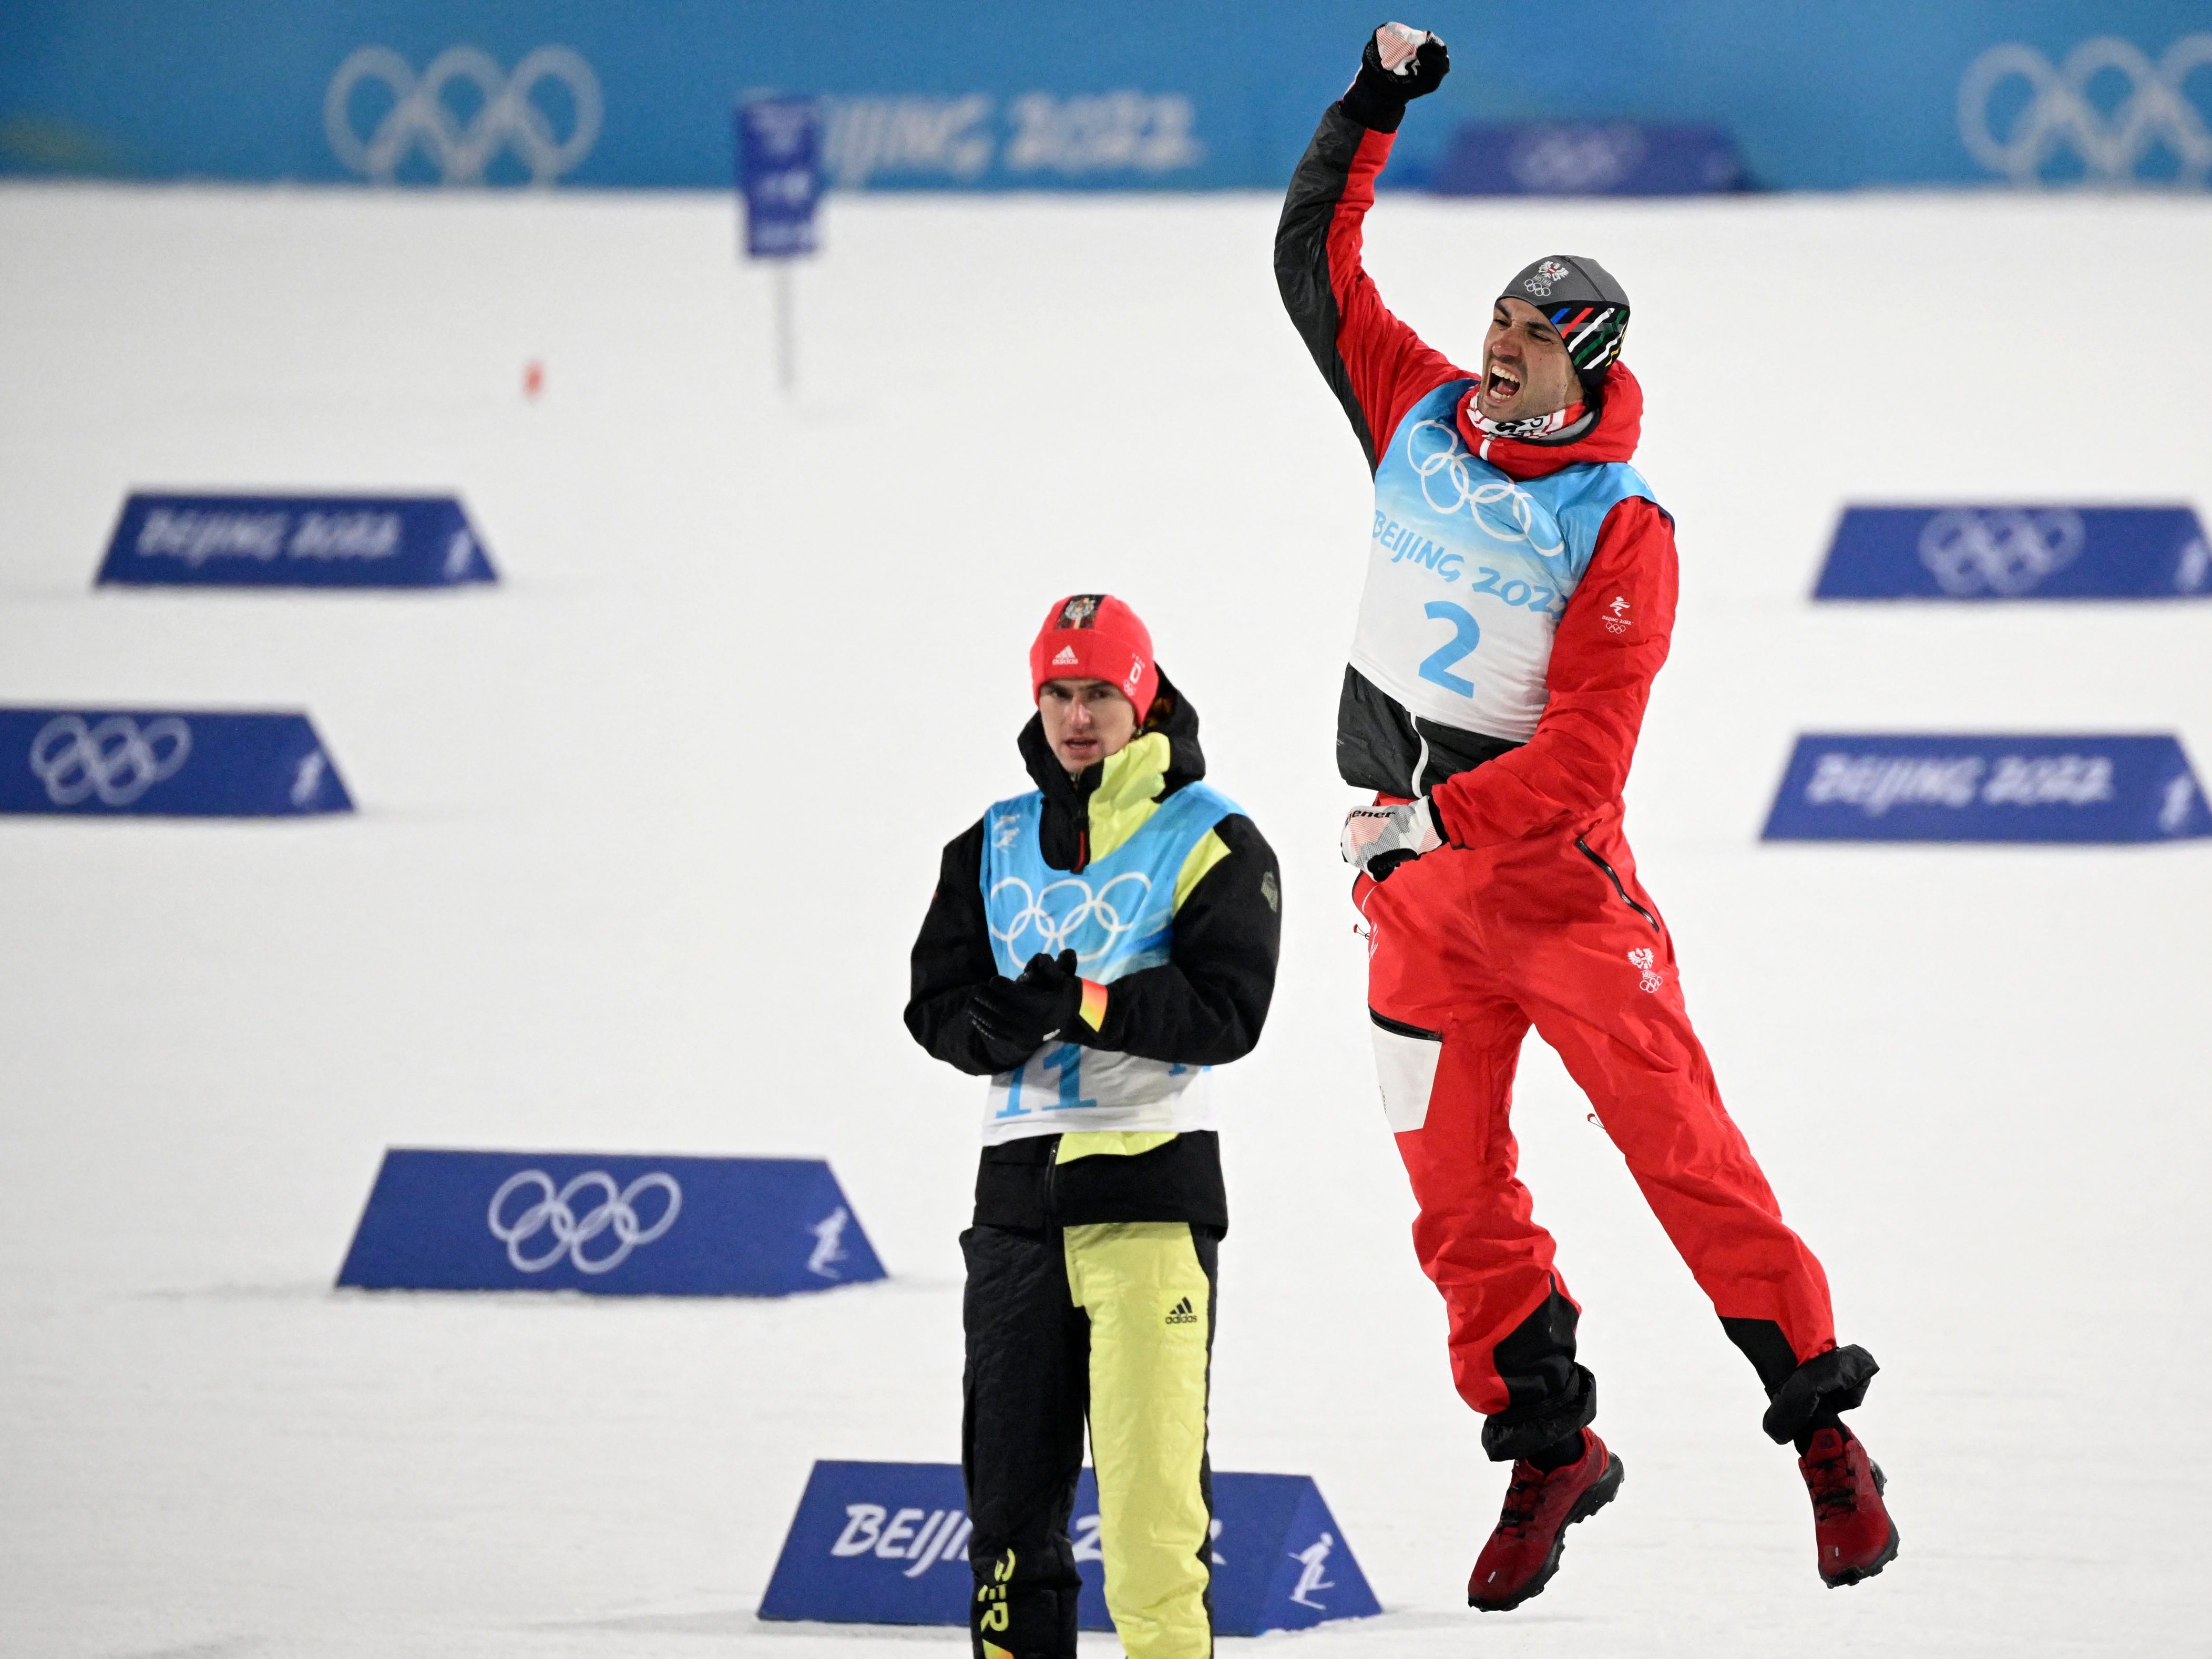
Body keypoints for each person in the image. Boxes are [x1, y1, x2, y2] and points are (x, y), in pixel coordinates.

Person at [1272, 22, 1899, 1610]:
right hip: (1413, 902)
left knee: (1683, 1156)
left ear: (1593, 362)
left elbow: (1583, 771)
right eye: (1495, 318)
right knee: (1455, 1194)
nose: (1499, 347)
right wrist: (1374, 102)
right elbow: (1312, 256)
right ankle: (1550, 1444)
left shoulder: (1624, 527)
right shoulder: (1413, 408)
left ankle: (1823, 1428)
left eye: (1535, 335)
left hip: (1554, 893)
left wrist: (1425, 827)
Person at [905, 593, 1282, 1659]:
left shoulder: (1210, 836)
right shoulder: (988, 843)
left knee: (1154, 1525)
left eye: (1100, 693)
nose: (1078, 716)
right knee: (1011, 1525)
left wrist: (1090, 1005)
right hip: (1015, 1212)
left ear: (1142, 695)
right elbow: (934, 1006)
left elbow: (1229, 1014)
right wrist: (992, 1024)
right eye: (1058, 693)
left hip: (1149, 1199)